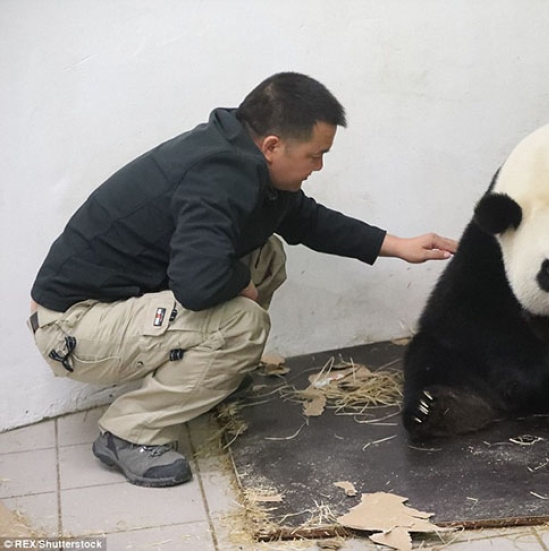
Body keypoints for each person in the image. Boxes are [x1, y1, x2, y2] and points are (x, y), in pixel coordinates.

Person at [28, 72, 458, 488]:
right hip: (73, 328)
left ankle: (207, 379)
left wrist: (397, 245)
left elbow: (305, 220)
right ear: (273, 145)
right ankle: (128, 433)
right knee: (242, 322)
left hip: (114, 309)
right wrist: (240, 286)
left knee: (266, 254)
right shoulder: (217, 177)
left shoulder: (241, 154)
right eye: (314, 155)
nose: (320, 166)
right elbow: (197, 284)